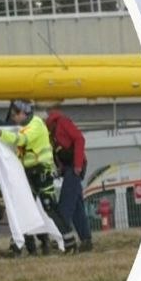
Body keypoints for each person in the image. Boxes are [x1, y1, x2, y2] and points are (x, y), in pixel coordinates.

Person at [0, 100, 61, 256]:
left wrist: (1, 134)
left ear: (22, 113)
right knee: (27, 208)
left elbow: (22, 141)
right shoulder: (24, 127)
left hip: (39, 171)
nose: (13, 119)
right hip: (28, 172)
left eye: (14, 115)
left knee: (42, 206)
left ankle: (45, 241)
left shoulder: (34, 125)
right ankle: (31, 245)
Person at [47, 108, 94, 252]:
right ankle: (86, 240)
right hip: (70, 167)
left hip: (73, 167)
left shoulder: (62, 123)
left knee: (66, 202)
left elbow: (79, 139)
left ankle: (62, 237)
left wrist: (78, 165)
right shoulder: (55, 127)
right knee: (77, 206)